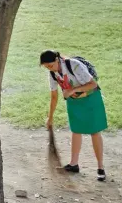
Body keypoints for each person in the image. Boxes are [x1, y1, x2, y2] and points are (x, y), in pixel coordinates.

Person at [40, 50, 107, 181]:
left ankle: (100, 168)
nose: (49, 68)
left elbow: (93, 84)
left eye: (50, 65)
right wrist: (50, 117)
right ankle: (73, 164)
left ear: (57, 59)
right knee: (76, 131)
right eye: (46, 67)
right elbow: (54, 97)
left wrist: (73, 90)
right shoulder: (53, 74)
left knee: (94, 132)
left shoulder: (74, 65)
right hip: (74, 102)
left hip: (90, 99)